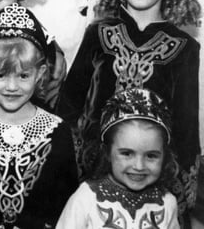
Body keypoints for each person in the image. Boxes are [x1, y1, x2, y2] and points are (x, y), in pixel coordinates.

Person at [56, 0, 200, 224]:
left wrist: (180, 195)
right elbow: (69, 105)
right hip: (91, 177)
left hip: (150, 176)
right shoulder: (98, 32)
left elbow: (187, 130)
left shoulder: (185, 48)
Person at [0, 3, 78, 228]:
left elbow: (66, 207)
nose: (12, 86)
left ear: (40, 74)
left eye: (23, 76)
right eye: (1, 75)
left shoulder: (58, 132)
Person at [56, 88, 180, 228]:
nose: (139, 166)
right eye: (127, 153)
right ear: (107, 152)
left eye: (151, 156)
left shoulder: (168, 203)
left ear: (165, 156)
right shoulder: (86, 198)